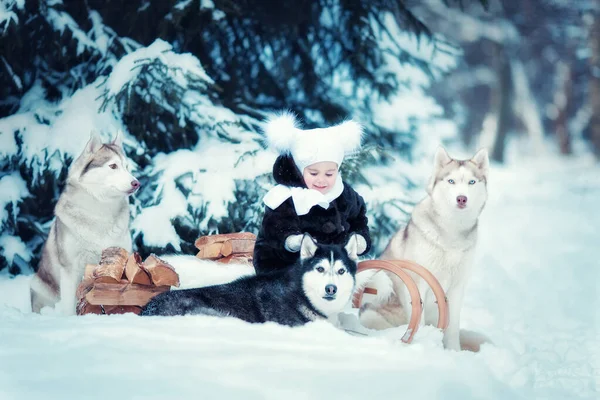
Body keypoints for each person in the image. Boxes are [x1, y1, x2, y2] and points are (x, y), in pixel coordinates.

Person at [253, 112, 371, 274]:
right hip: (286, 270)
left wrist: (360, 238)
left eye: (329, 174)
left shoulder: (345, 194)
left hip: (334, 269)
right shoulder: (286, 198)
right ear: (300, 171)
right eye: (314, 174)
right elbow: (274, 230)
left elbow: (358, 219)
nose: (321, 180)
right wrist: (291, 241)